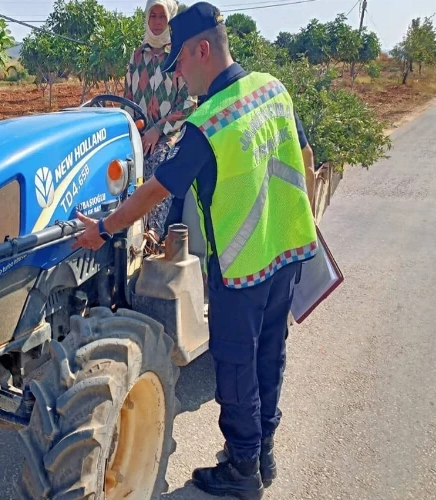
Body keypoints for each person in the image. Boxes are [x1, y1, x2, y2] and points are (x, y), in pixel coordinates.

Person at [72, 3, 318, 499]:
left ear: (202, 49)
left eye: (180, 63)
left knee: (236, 367)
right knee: (271, 356)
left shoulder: (211, 121)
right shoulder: (273, 88)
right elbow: (304, 158)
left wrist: (102, 228)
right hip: (288, 253)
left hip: (242, 269)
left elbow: (153, 192)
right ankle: (262, 453)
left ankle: (241, 473)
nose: (179, 75)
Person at [123, 0, 197, 244]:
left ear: (170, 19)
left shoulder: (178, 55)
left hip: (169, 132)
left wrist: (158, 130)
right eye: (152, 16)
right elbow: (128, 97)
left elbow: (188, 103)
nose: (156, 22)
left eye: (161, 17)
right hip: (140, 131)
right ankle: (122, 223)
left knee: (158, 162)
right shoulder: (137, 56)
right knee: (120, 163)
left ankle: (152, 231)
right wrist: (133, 128)